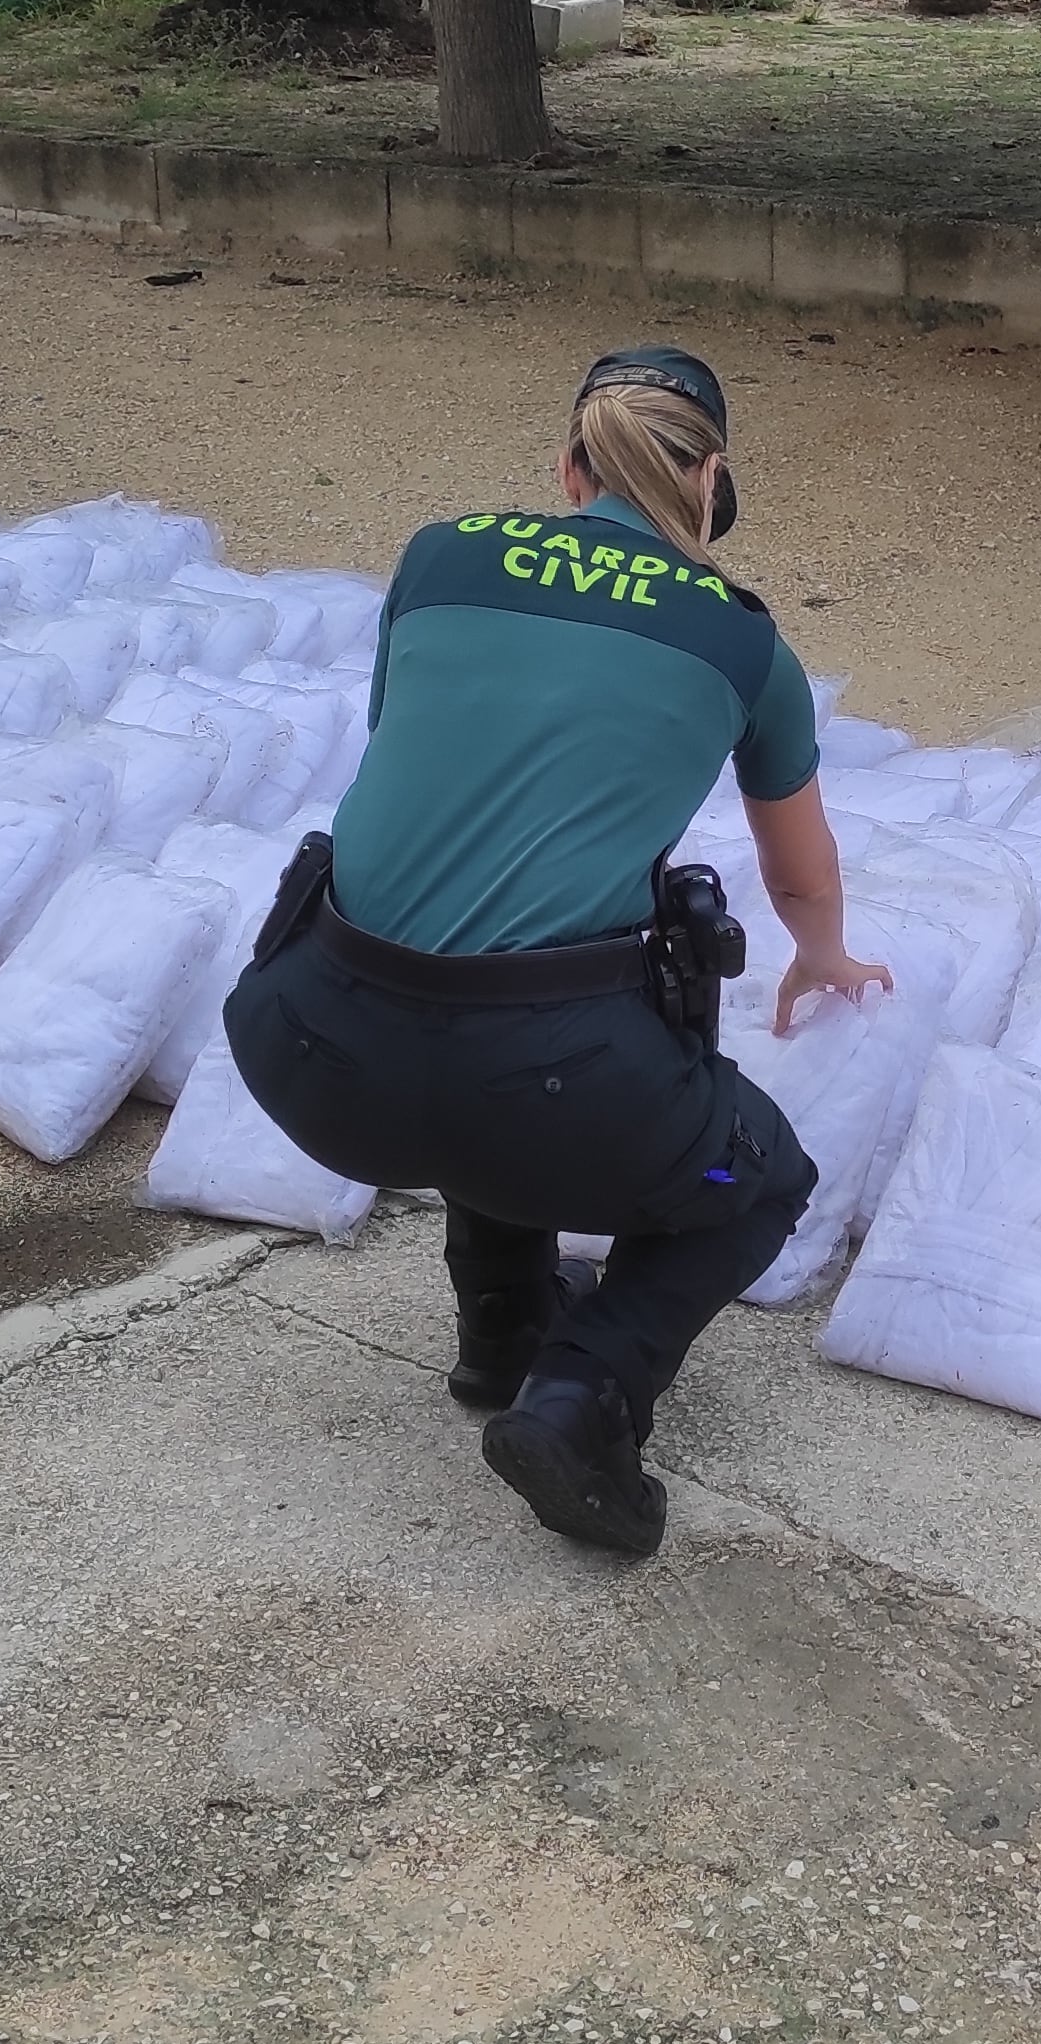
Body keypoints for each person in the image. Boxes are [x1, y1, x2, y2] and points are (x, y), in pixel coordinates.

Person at [220, 347, 891, 1558]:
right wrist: (821, 953)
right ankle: (584, 1392)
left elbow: (411, 756)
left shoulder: (439, 558)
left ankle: (502, 1334)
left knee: (491, 1024)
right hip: (552, 1096)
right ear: (711, 481)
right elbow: (797, 871)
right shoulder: (743, 645)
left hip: (307, 1053)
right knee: (756, 1180)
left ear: (567, 466)